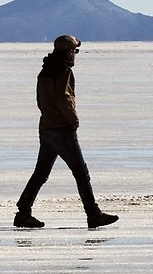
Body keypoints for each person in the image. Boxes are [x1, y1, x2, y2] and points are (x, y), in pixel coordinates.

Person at [15, 35, 118, 229]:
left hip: (46, 127)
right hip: (61, 129)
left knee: (41, 173)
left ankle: (23, 212)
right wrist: (73, 121)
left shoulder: (45, 71)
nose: (75, 55)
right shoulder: (63, 71)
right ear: (69, 52)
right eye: (75, 51)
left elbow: (41, 100)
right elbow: (65, 99)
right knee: (81, 172)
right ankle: (93, 214)